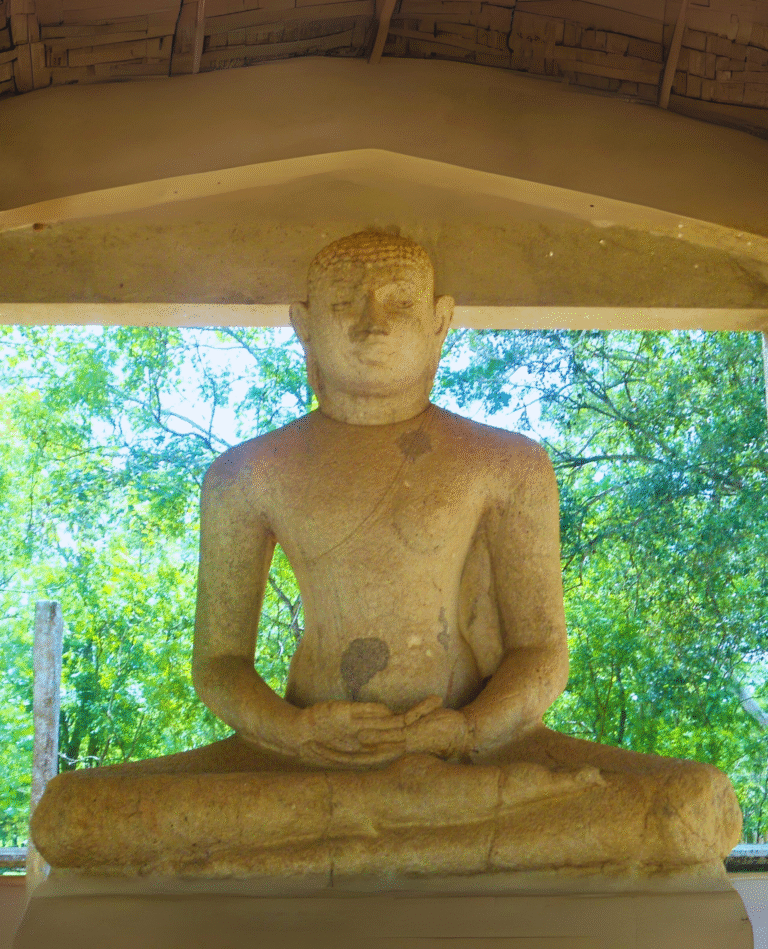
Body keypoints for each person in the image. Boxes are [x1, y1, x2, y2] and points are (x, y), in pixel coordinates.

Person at [32, 230, 742, 876]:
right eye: (344, 302)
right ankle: (407, 837)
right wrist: (299, 733)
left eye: (399, 303)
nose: (372, 321)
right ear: (303, 322)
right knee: (71, 815)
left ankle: (355, 845)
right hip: (303, 767)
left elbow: (541, 652)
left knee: (692, 803)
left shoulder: (507, 464)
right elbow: (219, 665)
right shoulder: (248, 473)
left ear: (440, 322)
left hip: (477, 757)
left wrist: (464, 729)